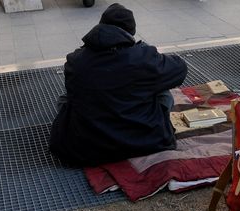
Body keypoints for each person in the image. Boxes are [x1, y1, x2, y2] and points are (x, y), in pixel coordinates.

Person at [49, 3, 188, 166]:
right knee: (161, 88)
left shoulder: (75, 61)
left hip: (84, 149)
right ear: (131, 32)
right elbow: (180, 68)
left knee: (66, 98)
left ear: (101, 26)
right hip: (146, 142)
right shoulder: (144, 58)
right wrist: (147, 53)